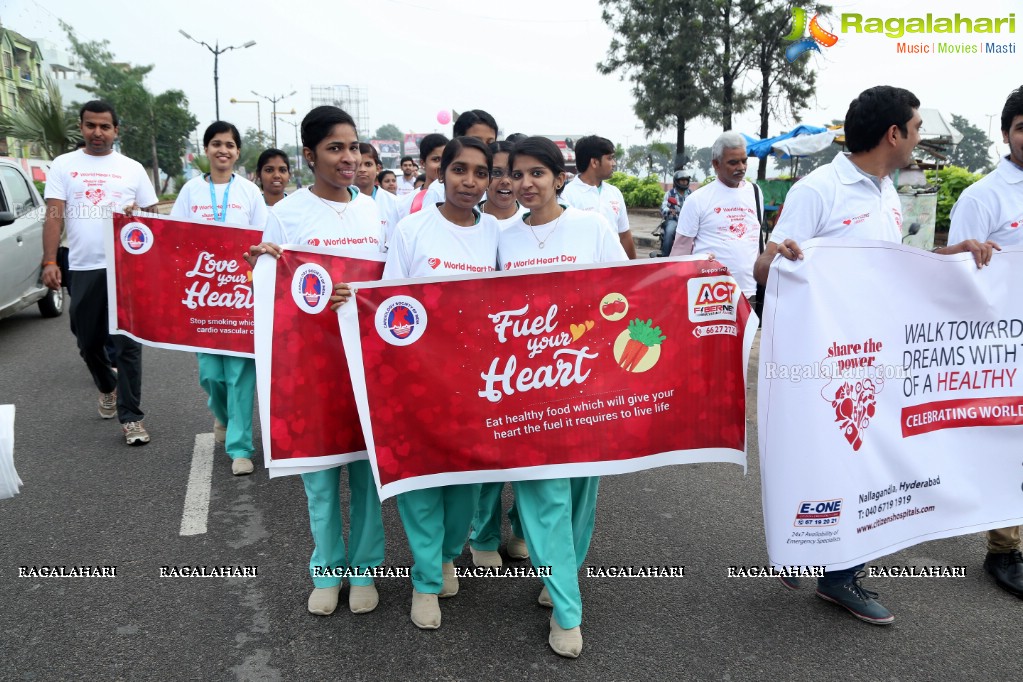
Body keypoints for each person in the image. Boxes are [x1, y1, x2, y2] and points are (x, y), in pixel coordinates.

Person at [753, 85, 997, 625]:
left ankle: (835, 566)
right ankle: (821, 558)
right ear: (895, 133)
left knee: (857, 461)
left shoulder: (887, 191)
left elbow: (892, 269)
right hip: (821, 359)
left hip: (873, 352)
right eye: (914, 130)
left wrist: (947, 257)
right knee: (819, 453)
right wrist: (779, 255)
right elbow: (764, 271)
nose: (917, 140)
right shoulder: (820, 189)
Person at [333, 136, 499, 631]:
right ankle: (425, 581)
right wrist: (356, 298)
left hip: (479, 383)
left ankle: (449, 553)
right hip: (419, 379)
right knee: (422, 481)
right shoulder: (411, 229)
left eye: (481, 173)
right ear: (441, 174)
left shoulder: (497, 232)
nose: (470, 182)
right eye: (460, 170)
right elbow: (388, 302)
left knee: (464, 484)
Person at [248, 106, 386, 618]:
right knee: (321, 475)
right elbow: (271, 290)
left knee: (369, 475)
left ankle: (366, 568)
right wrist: (260, 267)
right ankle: (327, 569)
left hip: (365, 365)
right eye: (335, 148)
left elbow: (390, 286)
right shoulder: (288, 213)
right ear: (309, 156)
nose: (348, 158)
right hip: (310, 364)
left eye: (353, 147)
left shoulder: (375, 210)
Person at [498, 136, 627, 658]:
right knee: (542, 495)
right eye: (516, 174)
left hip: (585, 382)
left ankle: (558, 578)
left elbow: (628, 288)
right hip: (524, 389)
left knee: (578, 495)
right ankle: (568, 613)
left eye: (536, 173)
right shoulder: (503, 238)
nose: (525, 183)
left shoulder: (591, 228)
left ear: (558, 176)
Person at [41, 100, 158, 446]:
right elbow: (53, 215)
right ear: (82, 127)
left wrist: (139, 217)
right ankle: (107, 384)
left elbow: (153, 218)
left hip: (126, 267)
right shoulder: (64, 165)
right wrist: (49, 261)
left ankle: (132, 418)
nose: (97, 132)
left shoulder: (133, 168)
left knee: (127, 345)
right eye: (91, 125)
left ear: (115, 131)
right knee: (87, 339)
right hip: (83, 266)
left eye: (104, 126)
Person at [948, 84, 1023, 599]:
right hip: (1002, 346)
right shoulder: (984, 196)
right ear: (1006, 134)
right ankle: (1004, 550)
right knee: (1006, 447)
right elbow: (957, 277)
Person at [171, 122, 268, 476]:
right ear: (205, 151)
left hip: (241, 295)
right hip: (205, 297)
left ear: (237, 152)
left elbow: (264, 239)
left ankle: (241, 447)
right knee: (210, 374)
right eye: (216, 144)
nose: (223, 150)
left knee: (240, 373)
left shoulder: (249, 193)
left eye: (229, 145)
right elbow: (175, 240)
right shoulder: (190, 192)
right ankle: (223, 416)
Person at [670, 132, 761, 308]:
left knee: (746, 337)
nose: (741, 167)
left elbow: (755, 239)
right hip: (708, 293)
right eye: (733, 162)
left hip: (748, 291)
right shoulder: (698, 200)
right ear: (716, 164)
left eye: (744, 160)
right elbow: (680, 250)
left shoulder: (755, 193)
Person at [561, 135, 637, 259]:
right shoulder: (567, 195)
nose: (614, 163)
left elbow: (624, 235)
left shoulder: (615, 193)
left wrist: (634, 269)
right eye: (610, 158)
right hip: (584, 271)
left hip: (614, 270)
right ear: (594, 162)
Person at [395, 134, 448, 220]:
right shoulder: (405, 203)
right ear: (422, 163)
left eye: (446, 159)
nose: (442, 165)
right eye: (436, 159)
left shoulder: (459, 200)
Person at [477, 140, 527, 230]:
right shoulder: (468, 218)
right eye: (496, 172)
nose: (505, 181)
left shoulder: (532, 220)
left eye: (514, 174)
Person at [356, 143, 400, 245]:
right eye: (358, 165)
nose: (362, 170)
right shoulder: (340, 202)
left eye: (368, 164)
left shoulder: (395, 203)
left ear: (378, 169)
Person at [658, 170, 692, 257]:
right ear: (677, 181)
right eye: (682, 180)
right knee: (669, 232)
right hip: (674, 220)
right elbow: (663, 207)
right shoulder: (670, 193)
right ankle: (665, 257)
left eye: (686, 180)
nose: (684, 182)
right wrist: (668, 210)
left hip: (689, 221)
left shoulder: (692, 194)